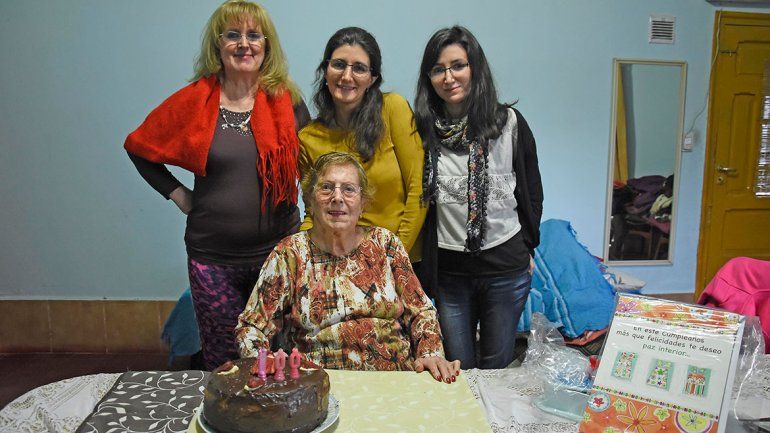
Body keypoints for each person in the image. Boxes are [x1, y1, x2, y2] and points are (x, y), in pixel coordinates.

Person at [124, 0, 310, 370]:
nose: (244, 43)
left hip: (277, 257)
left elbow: (313, 164)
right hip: (213, 260)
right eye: (233, 35)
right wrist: (178, 194)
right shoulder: (196, 101)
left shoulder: (287, 101)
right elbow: (139, 146)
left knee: (277, 358)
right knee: (224, 361)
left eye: (254, 35)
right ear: (218, 44)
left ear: (266, 45)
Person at [236, 152, 461, 383]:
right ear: (311, 200)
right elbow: (251, 327)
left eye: (348, 189)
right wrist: (267, 364)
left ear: (363, 204)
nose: (337, 197)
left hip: (394, 380)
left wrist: (430, 353)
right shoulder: (290, 253)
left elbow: (421, 311)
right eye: (326, 188)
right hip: (317, 384)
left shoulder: (386, 244)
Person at [413, 26, 543, 369]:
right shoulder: (421, 129)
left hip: (505, 269)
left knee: (497, 368)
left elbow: (531, 191)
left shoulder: (509, 123)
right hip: (450, 275)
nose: (449, 77)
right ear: (429, 77)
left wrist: (528, 245)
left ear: (475, 68)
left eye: (458, 65)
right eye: (438, 69)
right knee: (459, 370)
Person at [298, 27, 426, 261]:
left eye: (359, 68)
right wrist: (306, 257)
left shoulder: (392, 109)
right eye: (338, 64)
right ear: (325, 71)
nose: (347, 76)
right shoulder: (308, 137)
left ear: (372, 78)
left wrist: (393, 259)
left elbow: (420, 188)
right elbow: (312, 211)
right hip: (336, 263)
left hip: (398, 260)